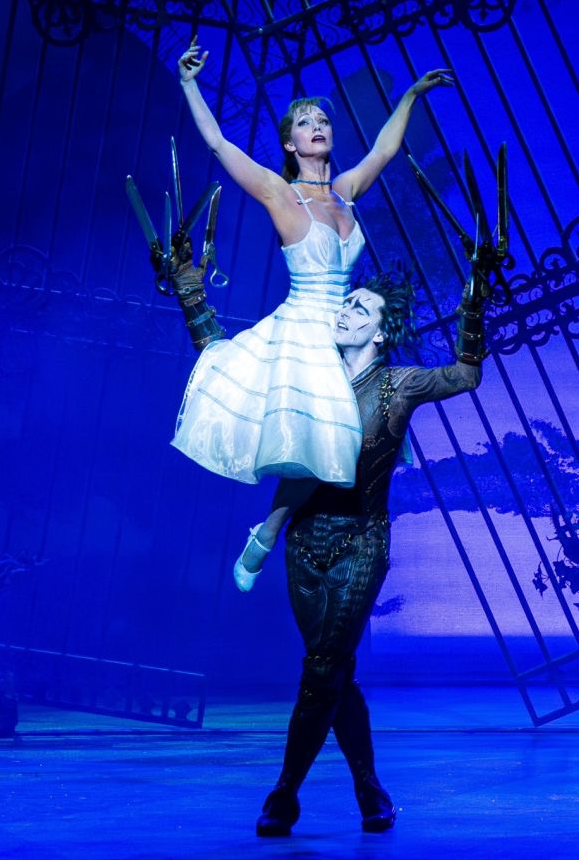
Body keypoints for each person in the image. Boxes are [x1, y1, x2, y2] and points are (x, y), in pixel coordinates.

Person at [166, 251, 487, 837]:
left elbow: (465, 374)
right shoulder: (305, 378)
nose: (348, 311)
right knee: (334, 672)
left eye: (362, 308)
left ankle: (284, 794)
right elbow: (226, 364)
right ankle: (369, 788)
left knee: (320, 667)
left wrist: (476, 302)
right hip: (304, 546)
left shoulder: (397, 384)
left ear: (383, 331)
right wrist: (191, 292)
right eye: (348, 303)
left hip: (363, 540)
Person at [171, 36, 453, 590]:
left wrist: (411, 97)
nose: (317, 125)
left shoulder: (346, 192)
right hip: (304, 329)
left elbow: (385, 152)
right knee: (322, 442)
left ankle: (299, 539)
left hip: (350, 327)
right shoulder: (281, 193)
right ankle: (267, 535)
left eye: (322, 118)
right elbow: (220, 144)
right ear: (291, 143)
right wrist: (188, 83)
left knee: (358, 443)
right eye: (304, 122)